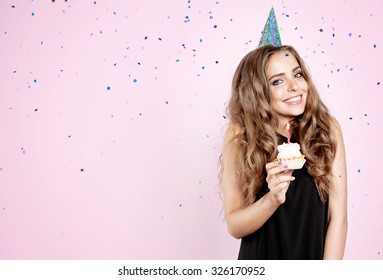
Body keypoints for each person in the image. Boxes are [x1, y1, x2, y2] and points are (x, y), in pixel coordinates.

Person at [220, 44, 347, 259]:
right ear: (257, 91)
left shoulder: (327, 130)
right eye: (277, 81)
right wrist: (273, 198)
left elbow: (339, 218)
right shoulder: (240, 136)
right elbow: (235, 226)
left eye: (297, 74)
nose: (294, 86)